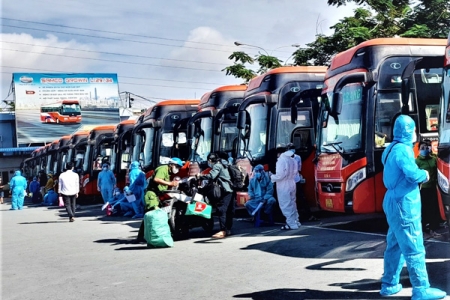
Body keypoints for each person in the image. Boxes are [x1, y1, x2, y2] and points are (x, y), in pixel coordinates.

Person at [380, 115, 446, 300]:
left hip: (392, 200)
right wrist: (424, 174)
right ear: (410, 131)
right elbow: (411, 173)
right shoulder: (403, 150)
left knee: (394, 244)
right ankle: (421, 289)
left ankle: (389, 283)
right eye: (414, 129)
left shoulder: (390, 148)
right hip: (404, 203)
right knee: (414, 245)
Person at [136, 157, 184, 242]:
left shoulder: (168, 172)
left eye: (179, 167)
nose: (178, 169)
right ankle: (144, 237)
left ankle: (142, 237)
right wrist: (170, 183)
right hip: (151, 195)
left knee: (150, 216)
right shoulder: (163, 169)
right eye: (177, 166)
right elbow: (156, 179)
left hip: (157, 196)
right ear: (171, 164)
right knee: (154, 214)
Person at [202, 152, 234, 239]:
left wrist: (201, 176)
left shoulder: (217, 165)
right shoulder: (224, 164)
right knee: (228, 210)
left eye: (209, 160)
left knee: (221, 210)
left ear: (210, 160)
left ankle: (223, 230)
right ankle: (228, 229)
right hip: (230, 189)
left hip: (225, 190)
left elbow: (212, 176)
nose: (209, 162)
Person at [415, 140, 441, 238]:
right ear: (419, 150)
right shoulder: (417, 162)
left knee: (433, 209)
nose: (425, 150)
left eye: (427, 148)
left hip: (434, 188)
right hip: (423, 189)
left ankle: (433, 228)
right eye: (422, 148)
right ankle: (423, 229)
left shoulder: (434, 159)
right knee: (423, 209)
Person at [287, 143, 319, 222]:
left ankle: (308, 215)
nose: (292, 150)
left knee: (302, 198)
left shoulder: (298, 157)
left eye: (293, 148)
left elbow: (299, 169)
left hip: (296, 180)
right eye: (290, 148)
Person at [271, 144, 299, 230]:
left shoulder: (281, 160)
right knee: (293, 203)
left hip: (283, 184)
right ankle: (296, 221)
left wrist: (271, 176)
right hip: (292, 182)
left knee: (285, 204)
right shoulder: (292, 159)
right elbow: (295, 172)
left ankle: (291, 224)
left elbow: (280, 175)